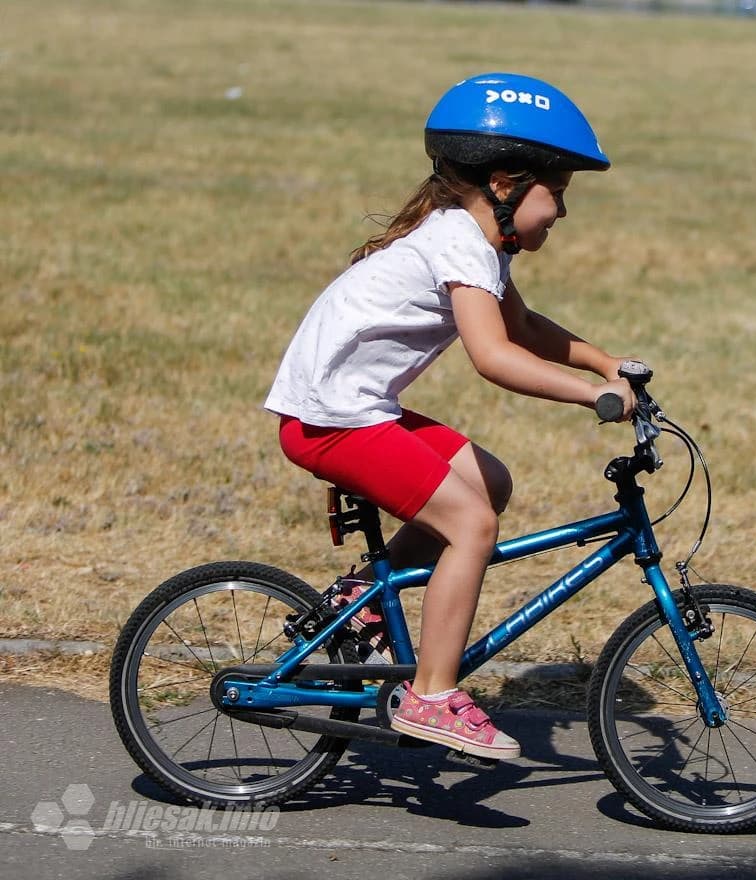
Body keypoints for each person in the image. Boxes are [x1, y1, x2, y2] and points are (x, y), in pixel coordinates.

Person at [263, 73, 637, 761]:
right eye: (558, 193)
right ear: (505, 182)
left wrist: (605, 363)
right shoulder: (462, 242)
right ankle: (431, 696)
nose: (562, 212)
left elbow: (519, 323)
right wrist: (594, 397)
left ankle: (366, 601)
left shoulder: (473, 239)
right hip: (328, 420)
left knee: (489, 481)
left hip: (352, 409)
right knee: (472, 522)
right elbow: (493, 355)